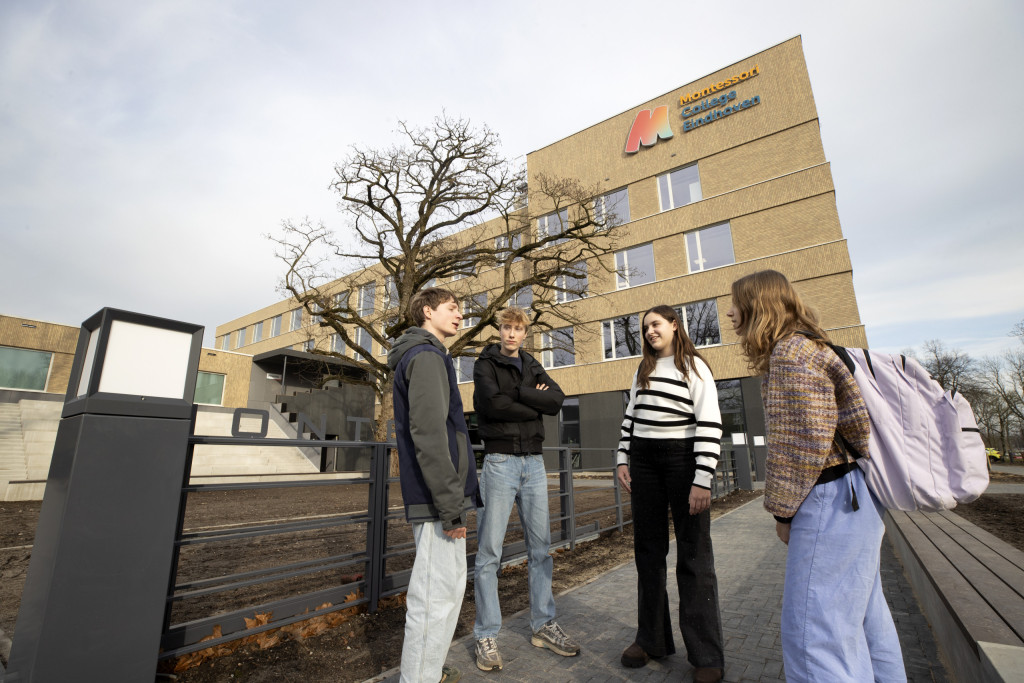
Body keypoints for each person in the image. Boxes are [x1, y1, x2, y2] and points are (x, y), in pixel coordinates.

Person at [726, 270, 906, 683]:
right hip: (855, 497)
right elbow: (857, 428)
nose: (730, 313)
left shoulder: (790, 355)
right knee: (865, 620)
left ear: (759, 305)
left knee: (815, 636)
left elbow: (801, 444)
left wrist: (783, 512)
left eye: (736, 303)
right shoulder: (815, 348)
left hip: (829, 499)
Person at [615, 305, 725, 683]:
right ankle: (651, 640)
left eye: (656, 324)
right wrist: (622, 459)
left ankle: (706, 655)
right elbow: (630, 418)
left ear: (675, 326)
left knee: (694, 558)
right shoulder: (642, 370)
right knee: (648, 553)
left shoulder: (694, 367)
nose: (649, 331)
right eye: (645, 327)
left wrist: (702, 478)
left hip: (682, 461)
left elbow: (710, 423)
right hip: (643, 463)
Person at [471, 306, 579, 672]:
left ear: (525, 332)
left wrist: (518, 393)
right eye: (506, 328)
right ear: (499, 329)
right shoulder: (484, 364)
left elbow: (557, 400)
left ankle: (543, 624)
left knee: (541, 549)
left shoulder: (532, 365)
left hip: (534, 463)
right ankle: (486, 634)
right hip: (500, 463)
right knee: (490, 554)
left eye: (518, 329)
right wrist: (531, 401)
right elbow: (491, 405)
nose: (512, 334)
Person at [388, 287, 482, 683]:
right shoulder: (426, 356)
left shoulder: (428, 355)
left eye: (461, 309)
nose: (460, 316)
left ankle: (426, 672)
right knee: (435, 597)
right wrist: (450, 506)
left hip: (437, 497)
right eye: (452, 308)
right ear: (427, 311)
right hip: (436, 500)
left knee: (442, 592)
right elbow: (429, 435)